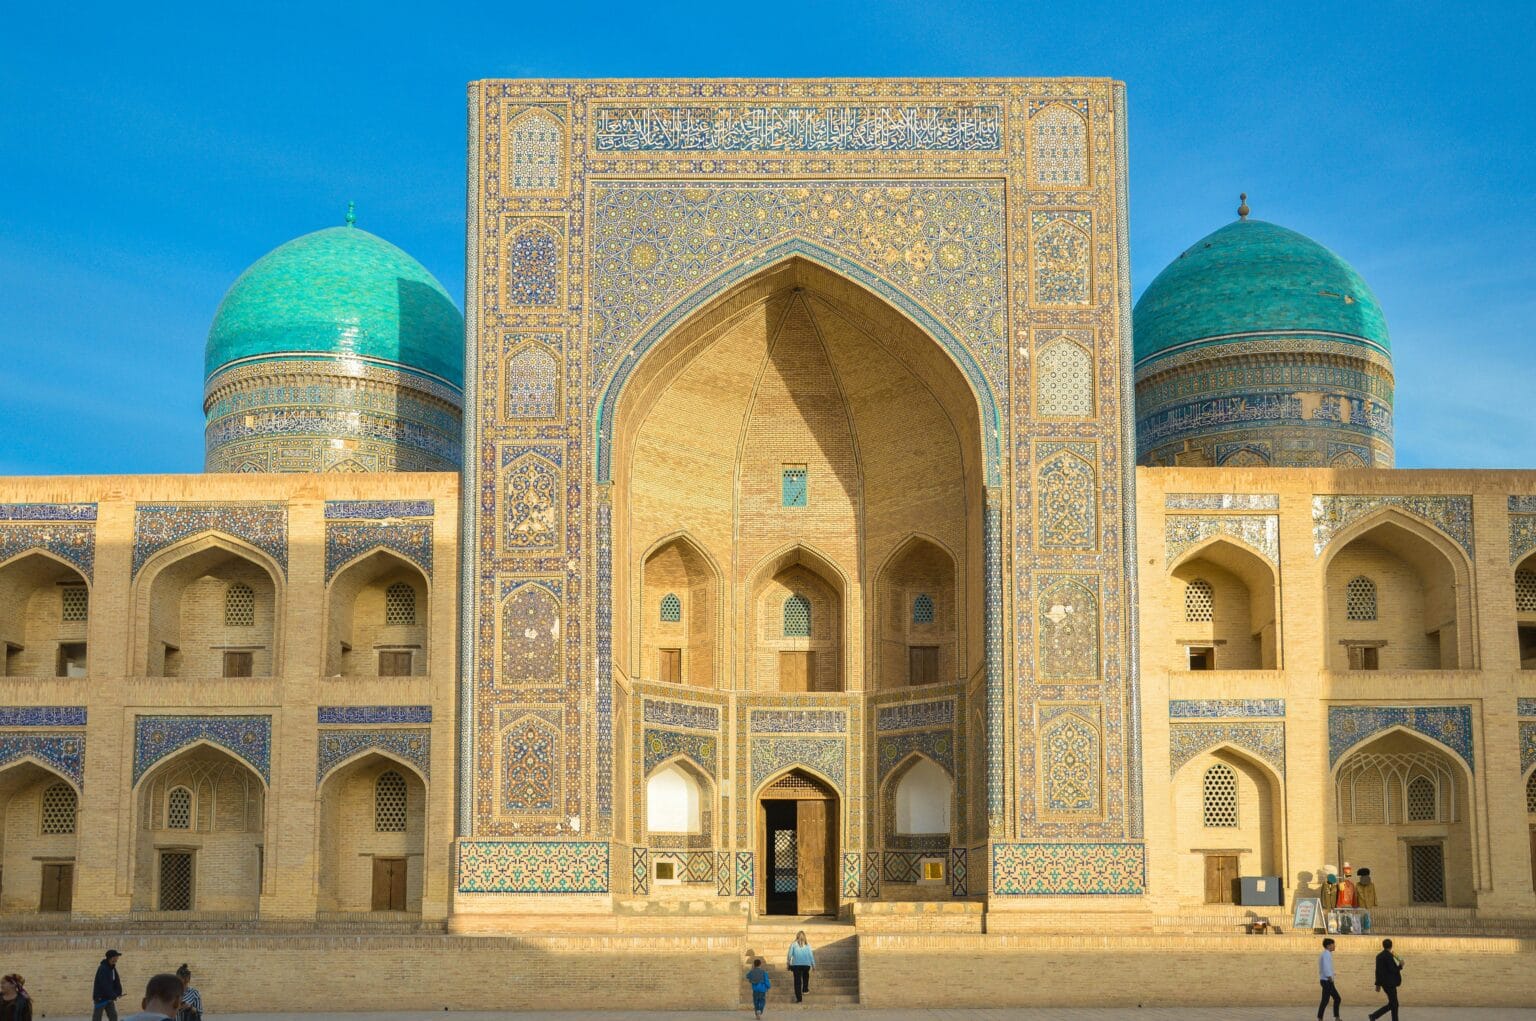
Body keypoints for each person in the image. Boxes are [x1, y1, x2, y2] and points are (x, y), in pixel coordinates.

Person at [1368, 938, 1404, 1021]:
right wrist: (1401, 966)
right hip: (1390, 983)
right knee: (1394, 1004)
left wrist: (1378, 984)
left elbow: (1377, 971)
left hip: (1384, 983)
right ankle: (1373, 1016)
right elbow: (1393, 969)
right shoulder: (1389, 956)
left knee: (1393, 1004)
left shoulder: (1379, 956)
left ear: (1383, 946)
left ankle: (1374, 1016)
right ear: (1391, 946)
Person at [92, 950, 124, 1021]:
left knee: (113, 1016)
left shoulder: (112, 968)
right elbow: (104, 985)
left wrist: (118, 992)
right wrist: (113, 995)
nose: (117, 958)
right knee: (97, 1018)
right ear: (111, 957)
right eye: (116, 956)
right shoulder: (102, 968)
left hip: (109, 998)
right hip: (100, 998)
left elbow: (116, 981)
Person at [1316, 938, 1341, 1021]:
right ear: (1328, 945)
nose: (1334, 946)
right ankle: (1322, 1018)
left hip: (1326, 980)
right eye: (1333, 944)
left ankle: (1333, 1018)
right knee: (1332, 999)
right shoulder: (1326, 954)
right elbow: (1326, 968)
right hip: (1327, 981)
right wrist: (1330, 978)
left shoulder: (1325, 954)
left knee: (1329, 999)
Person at [786, 931, 815, 1003]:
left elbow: (790, 955)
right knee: (805, 977)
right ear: (805, 937)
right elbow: (811, 956)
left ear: (797, 936)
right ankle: (805, 989)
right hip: (806, 965)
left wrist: (788, 963)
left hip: (796, 965)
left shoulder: (793, 944)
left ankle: (799, 999)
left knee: (797, 982)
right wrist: (813, 965)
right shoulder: (807, 945)